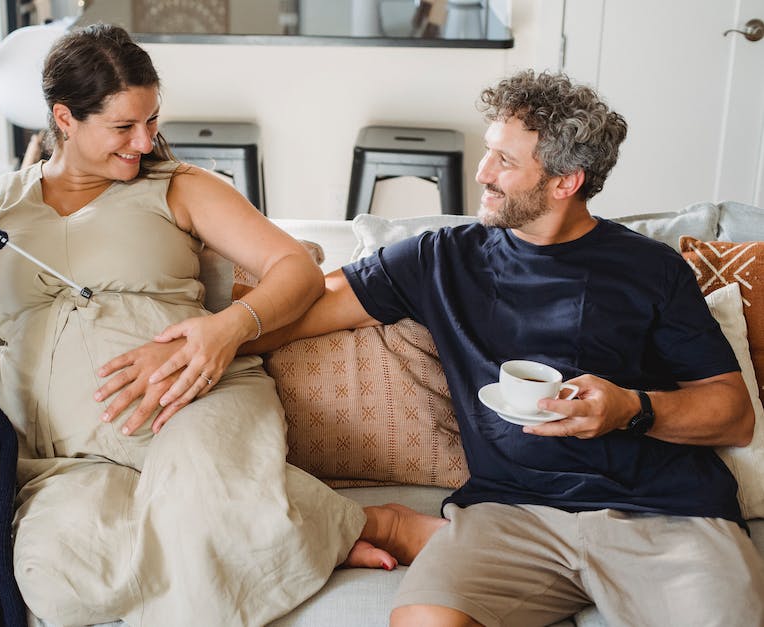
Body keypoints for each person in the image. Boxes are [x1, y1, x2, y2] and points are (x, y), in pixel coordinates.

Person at [0, 23, 436, 627]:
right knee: (49, 572)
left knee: (198, 499)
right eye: (123, 127)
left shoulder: (180, 187)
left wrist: (226, 330)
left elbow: (294, 267)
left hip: (189, 404)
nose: (144, 142)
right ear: (65, 119)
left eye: (151, 121)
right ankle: (328, 526)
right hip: (66, 453)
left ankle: (343, 524)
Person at [217, 70, 764, 626]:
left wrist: (630, 409)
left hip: (667, 514)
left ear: (564, 182)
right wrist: (214, 332)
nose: (481, 173)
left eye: (505, 161)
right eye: (488, 152)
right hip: (510, 513)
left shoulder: (653, 269)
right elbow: (302, 306)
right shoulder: (440, 260)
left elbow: (733, 414)